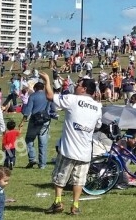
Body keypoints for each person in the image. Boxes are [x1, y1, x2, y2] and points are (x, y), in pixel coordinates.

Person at [40, 72, 102, 215]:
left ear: (84, 89)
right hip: (85, 151)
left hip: (69, 148)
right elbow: (98, 125)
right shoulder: (98, 107)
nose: (76, 86)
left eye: (78, 85)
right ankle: (75, 205)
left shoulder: (73, 99)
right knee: (79, 180)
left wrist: (47, 81)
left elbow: (50, 96)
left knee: (59, 177)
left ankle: (57, 202)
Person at [21, 81, 51, 169]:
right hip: (45, 120)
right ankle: (42, 164)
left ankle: (32, 158)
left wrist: (23, 121)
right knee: (43, 143)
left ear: (35, 88)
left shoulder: (32, 96)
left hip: (34, 120)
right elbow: (48, 108)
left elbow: (28, 111)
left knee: (29, 139)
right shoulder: (47, 95)